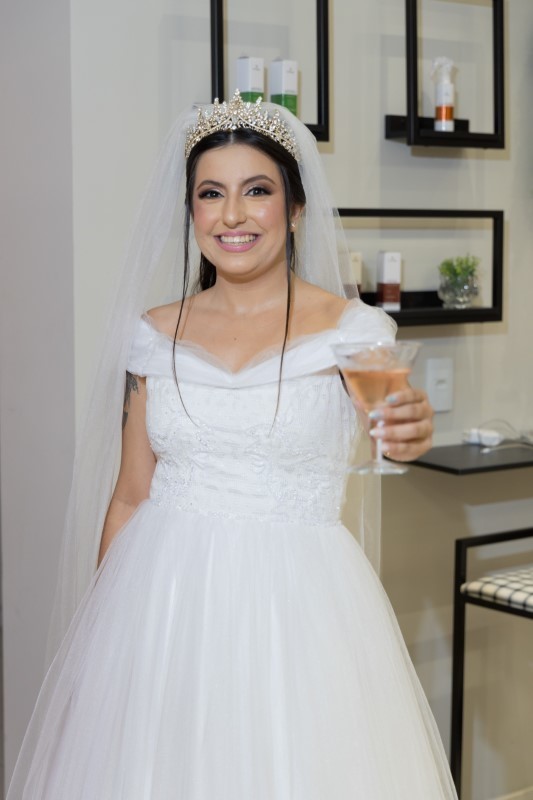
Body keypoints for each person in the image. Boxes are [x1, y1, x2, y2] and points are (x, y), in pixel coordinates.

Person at [7, 92, 457, 799]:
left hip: (298, 605)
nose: (233, 215)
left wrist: (413, 427)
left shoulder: (352, 330)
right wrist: (101, 639)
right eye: (211, 194)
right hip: (162, 605)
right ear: (190, 212)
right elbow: (129, 496)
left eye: (257, 191)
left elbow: (393, 431)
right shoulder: (152, 335)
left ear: (295, 207)